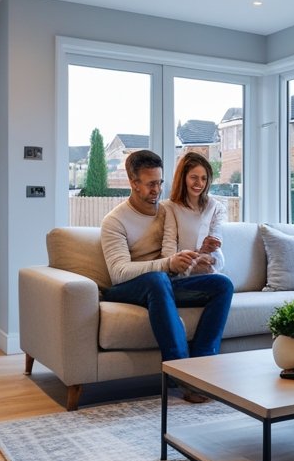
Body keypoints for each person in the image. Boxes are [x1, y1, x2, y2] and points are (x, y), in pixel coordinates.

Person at [100, 149, 234, 403]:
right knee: (158, 279)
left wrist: (197, 255)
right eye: (150, 184)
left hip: (165, 284)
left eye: (160, 182)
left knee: (222, 285)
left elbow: (194, 231)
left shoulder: (167, 211)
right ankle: (182, 374)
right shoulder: (115, 221)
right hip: (128, 288)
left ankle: (203, 366)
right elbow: (118, 273)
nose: (157, 190)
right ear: (133, 183)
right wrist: (167, 264)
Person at [161, 152, 228, 276]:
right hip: (180, 275)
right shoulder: (168, 208)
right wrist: (193, 264)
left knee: (223, 281)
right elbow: (168, 254)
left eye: (204, 178)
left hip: (207, 272)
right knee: (223, 282)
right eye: (194, 177)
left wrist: (209, 256)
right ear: (183, 178)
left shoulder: (216, 208)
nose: (200, 184)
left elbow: (218, 259)